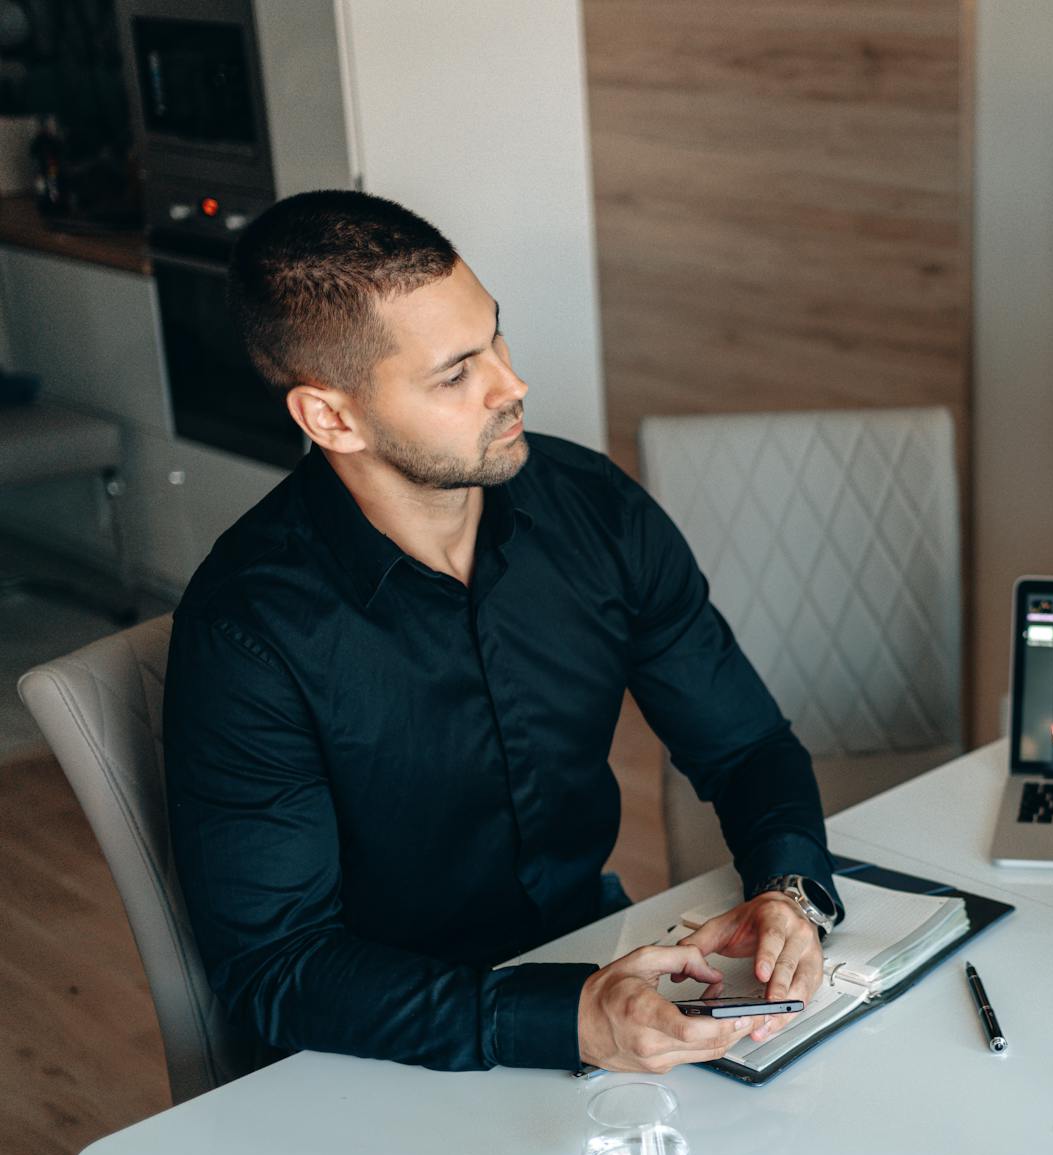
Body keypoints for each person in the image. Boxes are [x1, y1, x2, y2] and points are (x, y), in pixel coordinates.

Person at [163, 190, 846, 1078]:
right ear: (331, 417)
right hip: (369, 1051)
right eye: (455, 374)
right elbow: (279, 966)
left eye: (496, 337)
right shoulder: (245, 632)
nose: (511, 383)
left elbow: (747, 743)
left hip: (590, 962)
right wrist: (568, 1020)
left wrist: (786, 892)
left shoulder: (594, 510)